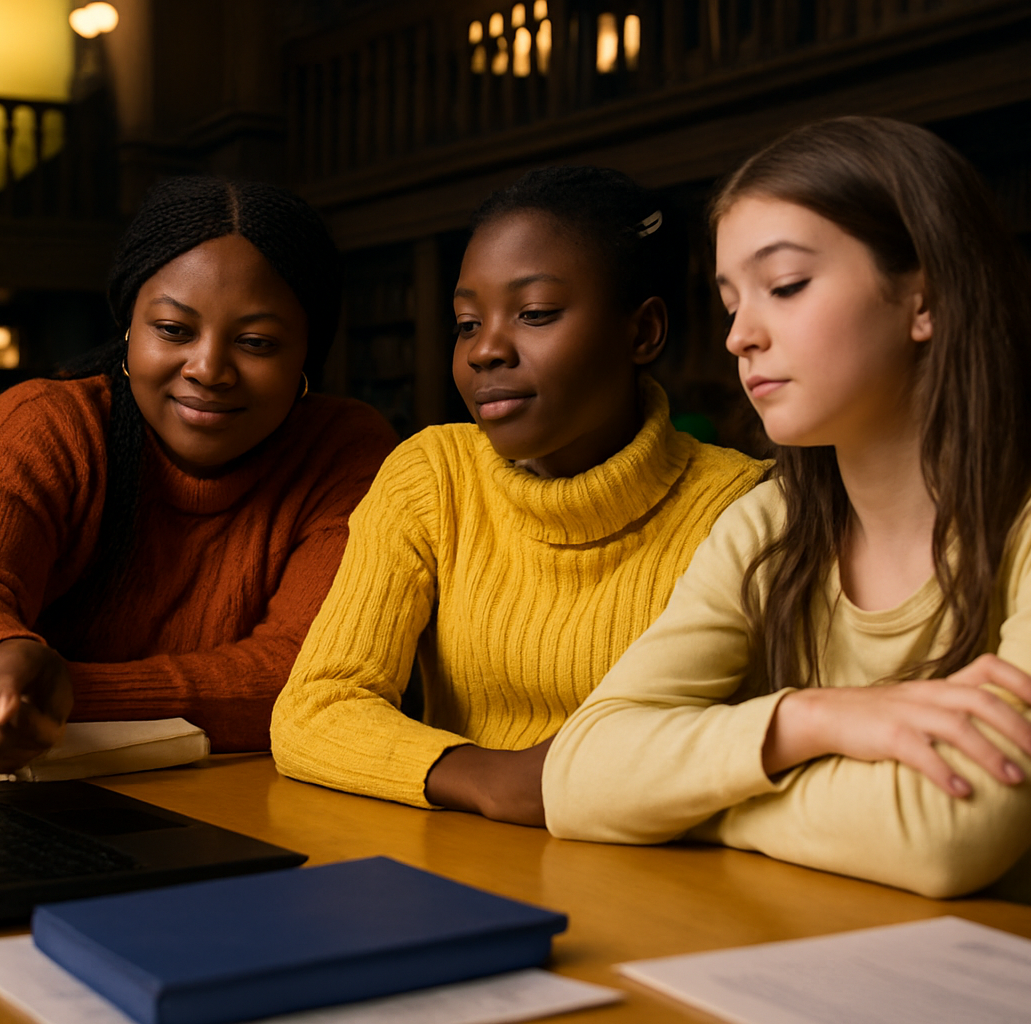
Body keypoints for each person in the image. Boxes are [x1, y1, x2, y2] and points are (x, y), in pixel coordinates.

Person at [541, 117, 1031, 940]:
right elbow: (576, 779)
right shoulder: (769, 523)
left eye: (784, 285)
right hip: (846, 962)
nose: (738, 335)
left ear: (924, 299)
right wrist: (813, 720)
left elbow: (946, 835)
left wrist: (686, 802)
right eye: (729, 301)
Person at [270, 167, 769, 825]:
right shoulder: (432, 477)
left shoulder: (739, 507)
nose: (486, 350)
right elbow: (315, 708)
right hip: (458, 859)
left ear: (643, 332)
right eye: (467, 323)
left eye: (534, 314)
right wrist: (488, 778)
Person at [0, 177, 396, 773]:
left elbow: (303, 671)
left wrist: (58, 693)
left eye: (256, 342)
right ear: (129, 327)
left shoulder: (343, 450)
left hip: (185, 798)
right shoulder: (45, 425)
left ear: (306, 354)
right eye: (173, 330)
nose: (209, 368)